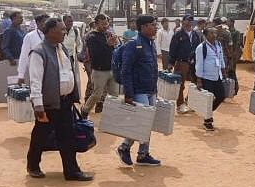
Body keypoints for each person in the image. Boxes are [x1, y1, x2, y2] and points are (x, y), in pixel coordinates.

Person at [26, 18, 93, 181]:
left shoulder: (61, 47)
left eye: (64, 30)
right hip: (48, 105)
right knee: (41, 136)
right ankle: (33, 165)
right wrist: (39, 107)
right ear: (49, 32)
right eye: (61, 30)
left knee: (67, 137)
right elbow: (35, 82)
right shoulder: (39, 52)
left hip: (65, 102)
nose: (64, 32)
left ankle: (71, 171)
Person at [116, 15, 162, 166]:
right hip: (138, 90)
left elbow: (153, 68)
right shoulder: (133, 44)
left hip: (150, 90)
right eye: (153, 25)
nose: (156, 27)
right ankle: (125, 148)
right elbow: (125, 70)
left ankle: (142, 154)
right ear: (143, 27)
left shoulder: (151, 43)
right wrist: (128, 94)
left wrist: (155, 90)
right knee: (142, 122)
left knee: (146, 123)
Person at [81, 14, 119, 118]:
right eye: (103, 24)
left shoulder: (108, 34)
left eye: (107, 23)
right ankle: (85, 110)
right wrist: (108, 45)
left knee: (114, 95)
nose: (106, 26)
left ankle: (111, 116)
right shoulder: (91, 37)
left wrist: (114, 44)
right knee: (97, 94)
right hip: (99, 70)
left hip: (111, 69)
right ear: (96, 24)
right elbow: (95, 54)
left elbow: (114, 49)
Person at [195, 27, 227, 131]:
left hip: (217, 75)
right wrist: (199, 80)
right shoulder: (201, 47)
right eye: (211, 33)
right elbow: (199, 64)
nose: (214, 35)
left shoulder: (218, 45)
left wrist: (223, 69)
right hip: (206, 77)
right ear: (206, 35)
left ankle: (207, 112)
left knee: (221, 95)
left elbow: (220, 58)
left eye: (215, 33)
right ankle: (207, 121)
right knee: (208, 99)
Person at [169, 14, 201, 113]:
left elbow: (198, 48)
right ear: (183, 22)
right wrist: (171, 62)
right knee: (180, 85)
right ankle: (180, 105)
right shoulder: (178, 34)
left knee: (195, 84)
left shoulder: (195, 34)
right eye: (187, 20)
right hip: (181, 62)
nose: (189, 23)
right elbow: (172, 49)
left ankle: (190, 102)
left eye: (191, 21)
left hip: (193, 63)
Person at [17, 14, 49, 84]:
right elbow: (24, 56)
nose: (47, 24)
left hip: (51, 72)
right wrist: (21, 75)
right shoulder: (30, 37)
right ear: (38, 23)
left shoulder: (52, 35)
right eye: (45, 22)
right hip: (35, 72)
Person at [62, 15, 82, 96]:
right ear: (63, 21)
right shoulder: (60, 30)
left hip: (71, 57)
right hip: (60, 57)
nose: (70, 23)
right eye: (68, 21)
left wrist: (79, 52)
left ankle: (72, 95)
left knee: (71, 76)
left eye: (71, 21)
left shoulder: (75, 30)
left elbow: (79, 43)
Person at [227, 18, 243, 95]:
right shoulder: (227, 31)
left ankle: (235, 88)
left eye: (229, 22)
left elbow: (237, 45)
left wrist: (234, 55)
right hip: (227, 55)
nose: (227, 23)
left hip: (232, 56)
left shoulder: (236, 32)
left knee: (232, 72)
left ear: (233, 22)